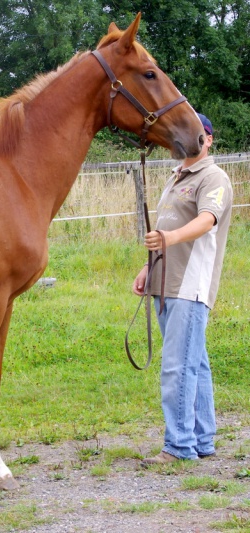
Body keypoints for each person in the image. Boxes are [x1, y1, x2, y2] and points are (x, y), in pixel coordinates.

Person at [132, 113, 233, 465]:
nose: (191, 139)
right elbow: (165, 225)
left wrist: (169, 237)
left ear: (208, 139)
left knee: (178, 366)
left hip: (190, 285)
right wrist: (149, 265)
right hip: (164, 280)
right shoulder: (177, 177)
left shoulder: (214, 177)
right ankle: (202, 440)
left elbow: (208, 220)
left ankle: (178, 446)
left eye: (198, 134)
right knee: (196, 363)